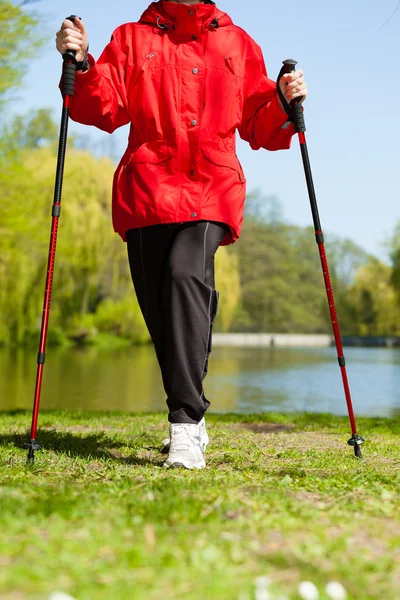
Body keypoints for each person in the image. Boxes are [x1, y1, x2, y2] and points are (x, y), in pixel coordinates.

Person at [55, 0, 308, 470]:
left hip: (211, 184)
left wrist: (282, 101)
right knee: (163, 311)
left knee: (183, 273)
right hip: (147, 188)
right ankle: (194, 378)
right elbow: (103, 106)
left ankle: (185, 425)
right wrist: (83, 62)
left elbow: (256, 121)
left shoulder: (236, 42)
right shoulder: (132, 38)